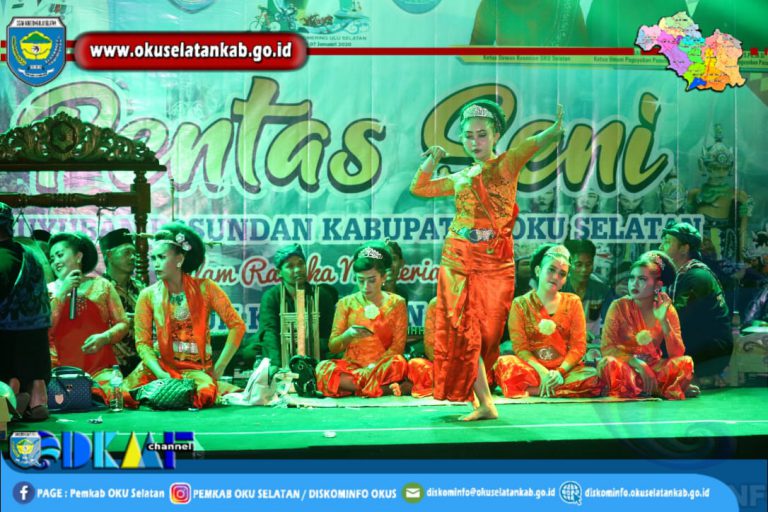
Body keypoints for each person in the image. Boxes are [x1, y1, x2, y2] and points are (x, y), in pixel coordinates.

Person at [410, 98, 564, 420]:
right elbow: (419, 188)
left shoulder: (506, 165)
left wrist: (552, 132)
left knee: (488, 335)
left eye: (482, 135)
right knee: (465, 332)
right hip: (458, 260)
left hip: (495, 263)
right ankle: (485, 403)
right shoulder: (462, 176)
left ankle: (482, 399)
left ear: (495, 135)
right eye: (468, 135)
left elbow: (528, 146)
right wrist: (433, 159)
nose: (475, 142)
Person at [123, 222, 245, 409]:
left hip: (195, 369)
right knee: (124, 394)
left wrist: (218, 369)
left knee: (204, 393)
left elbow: (237, 326)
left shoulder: (206, 288)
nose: (156, 264)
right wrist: (161, 374)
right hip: (159, 367)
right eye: (153, 258)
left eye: (162, 257)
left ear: (179, 259)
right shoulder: (148, 295)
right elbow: (143, 343)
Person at [494, 244, 600, 398]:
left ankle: (536, 390)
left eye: (562, 274)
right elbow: (520, 348)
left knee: (592, 377)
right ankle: (554, 390)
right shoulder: (520, 304)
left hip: (564, 371)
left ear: (565, 280)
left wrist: (559, 372)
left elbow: (578, 347)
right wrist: (543, 372)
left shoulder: (573, 302)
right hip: (534, 369)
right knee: (505, 364)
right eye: (551, 270)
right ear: (538, 271)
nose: (556, 277)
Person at [316, 242, 410, 398]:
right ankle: (378, 388)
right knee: (322, 369)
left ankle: (357, 387)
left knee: (398, 362)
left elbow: (398, 347)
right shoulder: (345, 303)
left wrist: (373, 367)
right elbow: (333, 347)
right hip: (352, 367)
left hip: (383, 366)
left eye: (372, 280)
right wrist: (348, 335)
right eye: (361, 280)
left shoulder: (397, 303)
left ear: (383, 277)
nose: (366, 286)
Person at [47, 231, 129, 404]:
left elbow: (123, 323)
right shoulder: (48, 290)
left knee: (118, 396)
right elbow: (45, 328)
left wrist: (105, 337)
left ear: (78, 256)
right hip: (60, 371)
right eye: (52, 259)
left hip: (100, 369)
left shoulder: (102, 285)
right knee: (64, 400)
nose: (55, 262)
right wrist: (62, 292)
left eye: (60, 255)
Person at [599, 251, 694, 400]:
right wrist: (637, 363)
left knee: (686, 363)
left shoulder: (666, 309)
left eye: (642, 279)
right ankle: (659, 388)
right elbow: (607, 348)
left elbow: (677, 353)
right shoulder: (618, 306)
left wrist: (664, 321)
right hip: (626, 366)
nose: (634, 284)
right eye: (632, 278)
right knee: (608, 363)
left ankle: (642, 388)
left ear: (657, 285)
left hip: (654, 368)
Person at [660, 221, 733, 388]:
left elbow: (678, 318)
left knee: (650, 345)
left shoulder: (696, 276)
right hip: (702, 344)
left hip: (712, 353)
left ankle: (691, 377)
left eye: (667, 242)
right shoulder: (681, 275)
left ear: (684, 249)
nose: (661, 246)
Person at [0, 202, 51, 421]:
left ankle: (10, 401)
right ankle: (36, 401)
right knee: (32, 371)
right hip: (35, 334)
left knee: (9, 372)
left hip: (8, 336)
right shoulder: (28, 252)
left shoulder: (3, 257)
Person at [255, 243, 337, 378]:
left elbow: (330, 334)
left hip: (315, 354)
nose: (298, 269)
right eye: (290, 266)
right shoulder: (271, 297)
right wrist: (276, 365)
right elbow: (270, 332)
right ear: (279, 272)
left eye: (300, 264)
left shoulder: (322, 296)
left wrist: (309, 346)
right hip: (281, 354)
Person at [99, 228, 143, 376]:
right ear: (109, 255)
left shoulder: (141, 288)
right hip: (108, 369)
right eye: (126, 253)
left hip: (141, 366)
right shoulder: (97, 290)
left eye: (134, 253)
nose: (132, 257)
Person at [562, 239, 611, 341]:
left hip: (593, 346)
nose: (584, 269)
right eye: (578, 264)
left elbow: (610, 322)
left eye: (588, 264)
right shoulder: (559, 290)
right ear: (569, 265)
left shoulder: (602, 291)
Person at [407, 297, 437, 398]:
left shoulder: (470, 301)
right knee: (416, 364)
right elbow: (429, 344)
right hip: (439, 365)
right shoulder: (436, 303)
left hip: (463, 365)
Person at [383, 238, 409, 304]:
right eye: (385, 259)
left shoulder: (402, 294)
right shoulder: (370, 292)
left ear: (402, 263)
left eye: (394, 259)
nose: (389, 264)